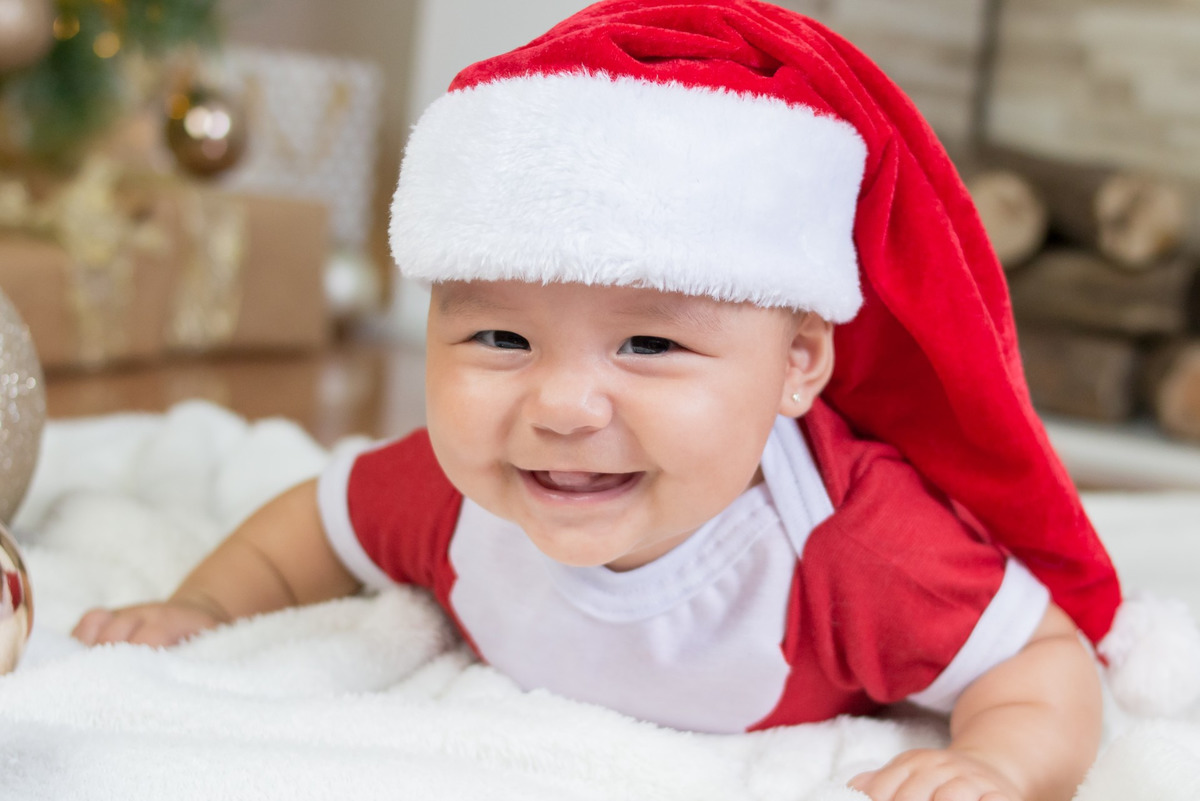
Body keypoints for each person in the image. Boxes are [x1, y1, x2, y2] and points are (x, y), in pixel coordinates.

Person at [73, 2, 1124, 799]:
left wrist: (998, 763)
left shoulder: (856, 549)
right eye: (499, 336)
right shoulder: (455, 495)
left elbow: (1040, 660)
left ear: (800, 363)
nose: (563, 405)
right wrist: (209, 606)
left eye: (652, 343)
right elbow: (312, 523)